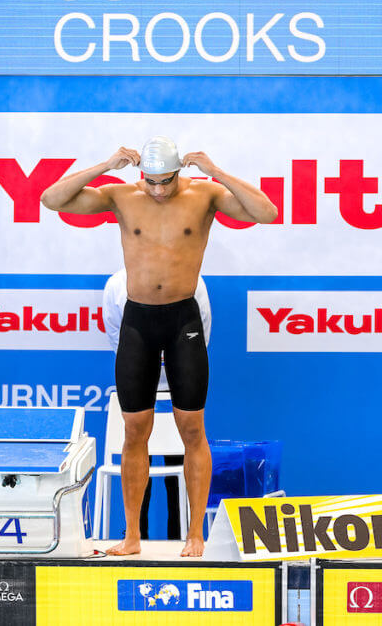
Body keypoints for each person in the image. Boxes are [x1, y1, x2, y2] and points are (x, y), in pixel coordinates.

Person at [41, 136, 278, 556]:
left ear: (179, 173)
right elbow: (52, 199)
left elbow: (267, 212)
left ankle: (195, 535)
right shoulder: (120, 195)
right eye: (151, 181)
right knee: (135, 431)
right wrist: (104, 164)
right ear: (140, 175)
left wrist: (217, 171)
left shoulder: (205, 194)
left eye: (166, 181)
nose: (159, 190)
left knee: (191, 428)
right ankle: (131, 537)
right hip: (138, 323)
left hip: (182, 320)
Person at [103, 268, 211, 542]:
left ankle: (191, 534)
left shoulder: (193, 281)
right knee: (137, 444)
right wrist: (146, 367)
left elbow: (201, 333)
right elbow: (119, 339)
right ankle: (135, 535)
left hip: (180, 384)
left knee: (188, 449)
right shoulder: (117, 284)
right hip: (140, 380)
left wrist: (176, 367)